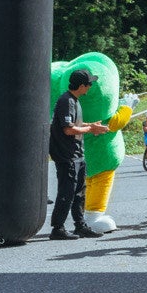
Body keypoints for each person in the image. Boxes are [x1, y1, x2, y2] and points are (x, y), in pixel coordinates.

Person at [48, 72, 105, 240]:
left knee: (79, 191)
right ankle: (57, 228)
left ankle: (80, 225)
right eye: (89, 84)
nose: (90, 87)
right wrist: (91, 129)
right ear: (81, 86)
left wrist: (90, 125)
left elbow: (76, 125)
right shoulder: (66, 101)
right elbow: (68, 129)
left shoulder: (74, 100)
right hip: (67, 155)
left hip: (77, 153)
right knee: (67, 191)